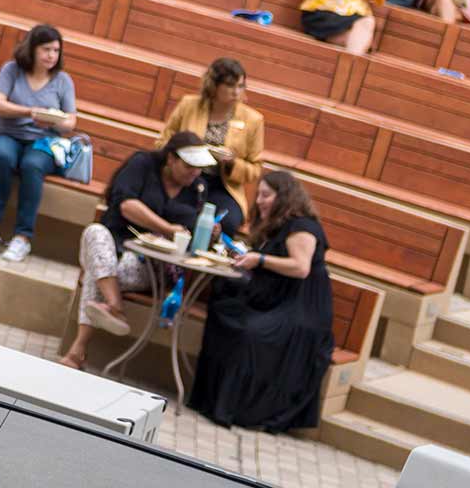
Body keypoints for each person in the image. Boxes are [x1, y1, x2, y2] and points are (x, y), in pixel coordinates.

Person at [56, 132, 231, 370]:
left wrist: (213, 233)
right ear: (171, 159)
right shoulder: (142, 164)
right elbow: (127, 205)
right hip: (113, 245)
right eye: (189, 165)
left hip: (150, 265)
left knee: (99, 273)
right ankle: (114, 306)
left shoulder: (198, 189)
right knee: (95, 234)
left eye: (199, 167)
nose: (195, 172)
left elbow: (194, 233)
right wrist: (167, 228)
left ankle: (78, 350)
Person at [187, 170, 335, 432]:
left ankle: (236, 409)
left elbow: (300, 268)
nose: (260, 201)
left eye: (266, 195)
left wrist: (261, 260)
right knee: (223, 309)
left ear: (285, 197)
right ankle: (210, 400)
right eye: (259, 195)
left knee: (249, 333)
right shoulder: (274, 226)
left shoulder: (303, 226)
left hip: (300, 308)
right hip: (275, 299)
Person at [0, 24, 77, 263]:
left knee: (32, 166)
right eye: (46, 49)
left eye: (56, 50)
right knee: (4, 157)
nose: (51, 55)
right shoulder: (12, 70)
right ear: (32, 49)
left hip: (43, 142)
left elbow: (71, 122)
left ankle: (22, 238)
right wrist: (29, 112)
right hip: (7, 134)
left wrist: (54, 121)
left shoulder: (63, 80)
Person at [159, 56, 265, 225]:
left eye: (241, 86)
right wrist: (184, 153)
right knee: (176, 210)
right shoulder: (189, 105)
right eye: (230, 85)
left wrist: (232, 163)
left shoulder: (253, 120)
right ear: (214, 85)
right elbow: (164, 142)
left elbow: (255, 169)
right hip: (185, 175)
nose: (236, 92)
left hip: (222, 184)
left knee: (228, 221)